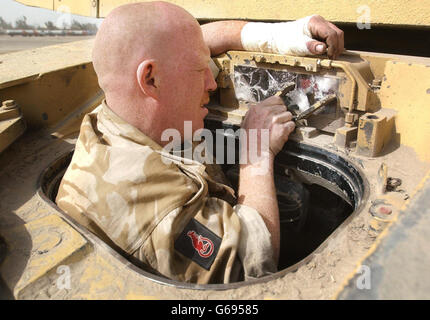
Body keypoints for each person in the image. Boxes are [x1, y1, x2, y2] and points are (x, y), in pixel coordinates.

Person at [56, 1, 344, 284]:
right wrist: (256, 152)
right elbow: (248, 269)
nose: (212, 82)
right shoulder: (140, 198)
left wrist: (280, 36)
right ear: (151, 79)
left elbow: (195, 43)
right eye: (199, 70)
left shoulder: (122, 110)